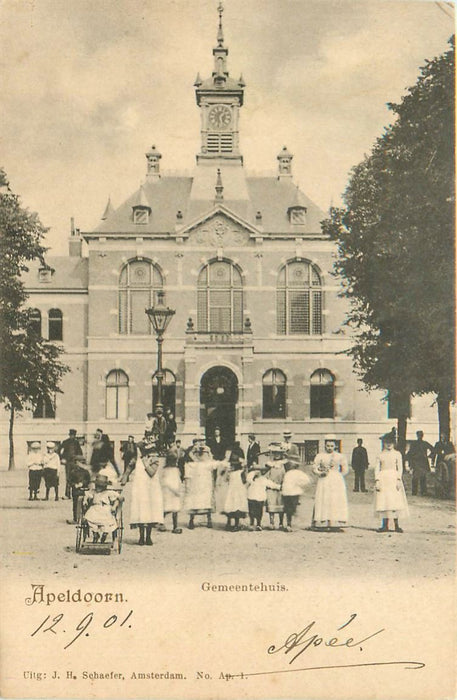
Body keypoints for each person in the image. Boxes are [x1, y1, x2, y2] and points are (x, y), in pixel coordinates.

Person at [121, 439, 164, 546]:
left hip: (151, 488)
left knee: (150, 511)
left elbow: (152, 472)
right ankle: (141, 537)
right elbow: (129, 467)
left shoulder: (154, 459)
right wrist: (125, 476)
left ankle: (148, 537)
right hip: (140, 487)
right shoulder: (137, 459)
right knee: (140, 510)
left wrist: (145, 463)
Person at [312, 436, 349, 532]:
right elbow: (314, 467)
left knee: (335, 500)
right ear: (324, 446)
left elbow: (345, 469)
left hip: (336, 480)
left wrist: (339, 476)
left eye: (332, 446)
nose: (329, 448)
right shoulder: (320, 456)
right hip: (324, 480)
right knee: (324, 498)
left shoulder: (339, 456)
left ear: (335, 446)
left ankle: (334, 523)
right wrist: (320, 473)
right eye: (327, 445)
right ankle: (323, 522)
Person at [374, 433, 409, 532]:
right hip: (383, 479)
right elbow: (377, 468)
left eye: (391, 442)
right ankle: (384, 525)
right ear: (383, 443)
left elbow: (400, 468)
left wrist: (398, 479)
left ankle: (396, 525)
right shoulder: (380, 455)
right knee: (384, 501)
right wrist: (377, 480)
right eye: (386, 442)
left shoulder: (397, 454)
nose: (389, 444)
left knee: (395, 501)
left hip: (393, 479)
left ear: (394, 443)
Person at [184, 435, 217, 529]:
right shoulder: (194, 450)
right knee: (195, 497)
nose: (202, 442)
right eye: (200, 440)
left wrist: (208, 452)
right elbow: (189, 457)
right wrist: (195, 452)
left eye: (203, 440)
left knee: (207, 497)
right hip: (197, 476)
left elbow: (211, 462)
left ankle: (209, 519)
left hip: (206, 476)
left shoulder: (208, 449)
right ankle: (191, 520)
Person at [83, 474, 122, 544]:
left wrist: (114, 507)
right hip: (95, 508)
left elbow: (118, 499)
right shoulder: (93, 491)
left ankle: (105, 534)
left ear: (104, 486)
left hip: (105, 508)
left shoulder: (108, 492)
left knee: (106, 521)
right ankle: (95, 534)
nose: (98, 488)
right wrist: (85, 500)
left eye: (100, 486)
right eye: (97, 486)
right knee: (90, 518)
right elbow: (87, 495)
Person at [246, 465, 280, 531]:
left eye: (259, 471)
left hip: (260, 498)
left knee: (259, 512)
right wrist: (253, 473)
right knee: (251, 512)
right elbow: (248, 479)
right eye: (256, 470)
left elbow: (271, 484)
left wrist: (279, 487)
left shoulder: (263, 479)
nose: (258, 472)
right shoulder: (251, 479)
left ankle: (258, 524)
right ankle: (252, 524)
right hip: (251, 497)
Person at [220, 452, 248, 531]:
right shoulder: (229, 473)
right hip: (231, 490)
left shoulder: (240, 472)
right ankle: (228, 522)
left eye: (233, 465)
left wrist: (244, 471)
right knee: (230, 506)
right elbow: (225, 479)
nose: (232, 466)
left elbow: (244, 481)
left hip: (238, 491)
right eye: (231, 465)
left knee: (237, 507)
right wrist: (226, 472)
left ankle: (236, 524)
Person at [281, 459, 311, 531]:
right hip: (286, 493)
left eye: (292, 464)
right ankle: (289, 524)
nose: (290, 466)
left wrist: (298, 485)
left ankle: (294, 524)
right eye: (289, 465)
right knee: (288, 509)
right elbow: (284, 483)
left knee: (294, 508)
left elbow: (306, 480)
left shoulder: (299, 473)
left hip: (294, 493)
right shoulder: (287, 473)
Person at [160, 440, 183, 533]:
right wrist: (175, 490)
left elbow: (178, 480)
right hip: (169, 492)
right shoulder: (168, 470)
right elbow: (166, 482)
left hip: (175, 491)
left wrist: (178, 488)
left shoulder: (175, 469)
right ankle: (161, 523)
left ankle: (175, 526)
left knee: (175, 510)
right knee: (167, 508)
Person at [264, 443, 286, 529]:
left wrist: (283, 485)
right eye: (275, 453)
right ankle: (271, 523)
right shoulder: (269, 464)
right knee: (271, 505)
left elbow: (286, 475)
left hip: (281, 487)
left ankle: (281, 523)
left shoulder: (283, 464)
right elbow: (265, 475)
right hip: (271, 487)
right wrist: (270, 484)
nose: (277, 455)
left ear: (281, 454)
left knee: (281, 505)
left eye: (278, 453)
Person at [405, 430, 434, 496]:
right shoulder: (414, 443)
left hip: (422, 462)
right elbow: (410, 452)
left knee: (422, 477)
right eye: (419, 435)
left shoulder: (424, 443)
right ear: (417, 435)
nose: (420, 436)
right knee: (415, 477)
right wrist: (409, 460)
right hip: (416, 462)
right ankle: (415, 492)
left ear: (422, 436)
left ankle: (422, 491)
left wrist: (430, 456)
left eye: (421, 435)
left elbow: (433, 449)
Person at [59, 429, 82, 499]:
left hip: (75, 463)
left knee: (75, 478)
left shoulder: (76, 443)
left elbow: (80, 453)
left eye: (73, 435)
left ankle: (74, 494)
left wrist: (78, 459)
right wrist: (62, 459)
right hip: (68, 463)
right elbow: (59, 450)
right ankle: (67, 494)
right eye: (71, 435)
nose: (72, 436)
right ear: (69, 435)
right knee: (68, 478)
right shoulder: (65, 442)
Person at [67, 456, 91, 524]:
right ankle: (75, 518)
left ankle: (86, 517)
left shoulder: (86, 472)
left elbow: (88, 480)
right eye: (79, 462)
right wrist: (74, 485)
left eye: (82, 463)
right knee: (75, 504)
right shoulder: (73, 472)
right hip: (76, 490)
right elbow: (69, 481)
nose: (81, 464)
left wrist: (83, 483)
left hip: (84, 490)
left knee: (86, 503)